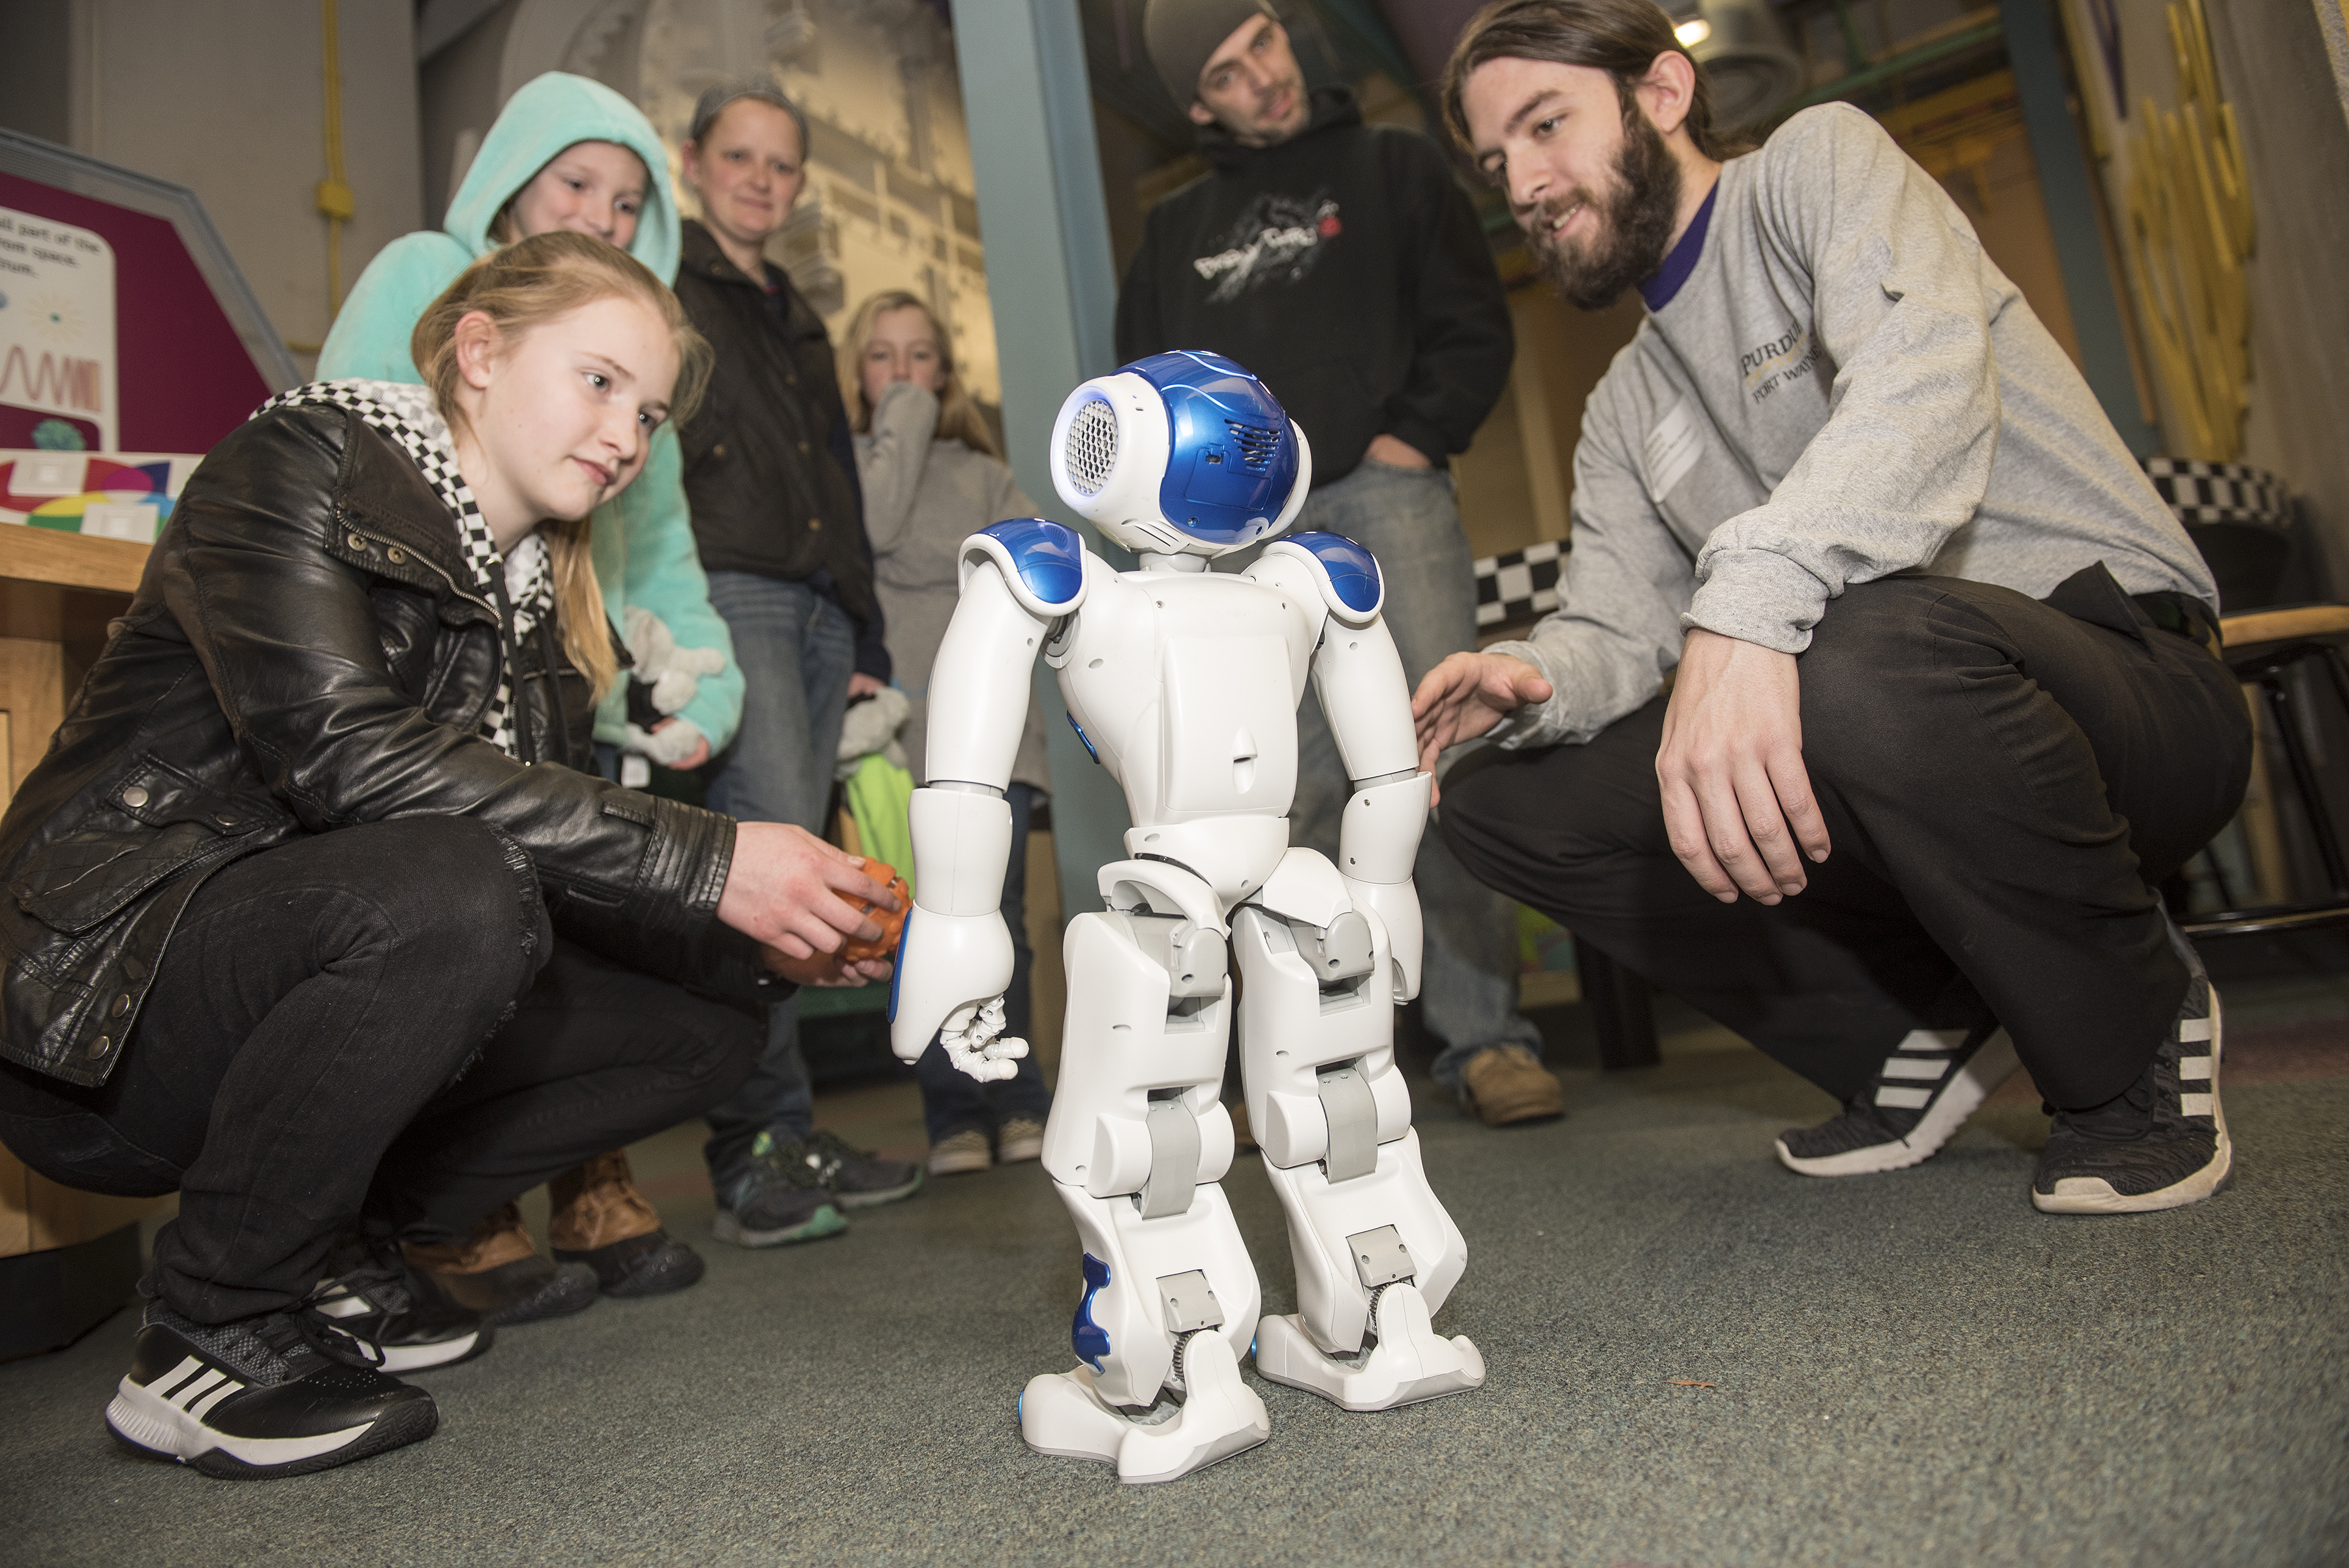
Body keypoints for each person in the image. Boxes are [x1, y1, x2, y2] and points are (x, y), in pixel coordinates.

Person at [0, 232, 900, 1478]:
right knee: (455, 890)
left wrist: (775, 928)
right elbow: (344, 758)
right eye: (598, 383)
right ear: (478, 355)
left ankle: (346, 1244)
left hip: (313, 959)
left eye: (644, 413)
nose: (626, 435)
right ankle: (210, 1324)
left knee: (718, 1013)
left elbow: (574, 871)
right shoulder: (300, 459)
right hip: (102, 1005)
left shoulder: (535, 603)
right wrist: (712, 858)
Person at [1417, 0, 2249, 1213]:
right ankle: (1914, 1028)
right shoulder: (1623, 405)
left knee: (1851, 637)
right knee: (1496, 799)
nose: (1526, 184)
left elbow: (1924, 385)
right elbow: (1614, 626)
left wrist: (1748, 608)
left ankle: (2128, 1033)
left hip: (2129, 690)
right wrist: (1533, 681)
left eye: (1546, 125)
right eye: (1499, 162)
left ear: (1659, 92)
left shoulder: (1817, 165)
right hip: (1881, 739)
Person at [319, 70, 742, 1315]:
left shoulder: (644, 363)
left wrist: (695, 686)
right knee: (469, 916)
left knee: (596, 933)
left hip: (570, 672)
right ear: (512, 176)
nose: (604, 218)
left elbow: (661, 550)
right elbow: (353, 442)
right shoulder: (422, 274)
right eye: (578, 185)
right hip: (429, 666)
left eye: (629, 203)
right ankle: (464, 1203)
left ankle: (590, 1179)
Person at [1121, 0, 1561, 1128]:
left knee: (1426, 756)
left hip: (1386, 498)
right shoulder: (1174, 233)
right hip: (1238, 542)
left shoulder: (1393, 167)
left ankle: (1487, 1038)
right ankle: (1319, 1050)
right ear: (1195, 104)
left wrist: (1410, 443)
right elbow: (1146, 393)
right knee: (1281, 788)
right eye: (1225, 73)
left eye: (1261, 41)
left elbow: (1473, 321)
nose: (1260, 78)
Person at [671, 82, 923, 1242]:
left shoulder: (801, 315)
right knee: (763, 872)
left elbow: (835, 476)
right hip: (737, 592)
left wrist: (865, 629)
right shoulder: (667, 285)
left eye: (782, 164)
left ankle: (795, 1127)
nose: (761, 179)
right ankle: (750, 1149)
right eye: (740, 157)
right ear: (694, 164)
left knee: (807, 871)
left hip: (824, 609)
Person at [842, 290, 1056, 1176]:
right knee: (921, 926)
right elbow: (875, 525)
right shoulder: (846, 467)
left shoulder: (980, 470)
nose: (903, 373)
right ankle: (952, 1113)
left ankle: (1018, 1096)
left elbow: (1032, 573)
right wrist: (902, 421)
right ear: (858, 376)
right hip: (902, 743)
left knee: (1000, 921)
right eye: (883, 358)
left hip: (991, 732)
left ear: (947, 371)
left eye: (920, 358)